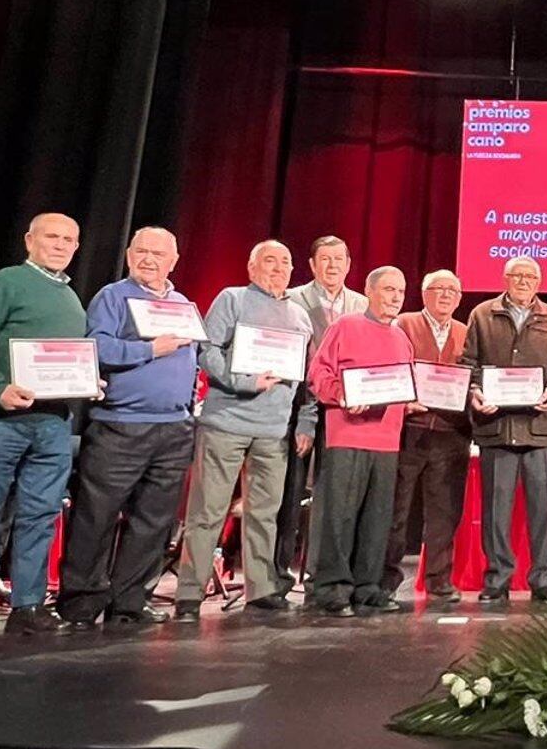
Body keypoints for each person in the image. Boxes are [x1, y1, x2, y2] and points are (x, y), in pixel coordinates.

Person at [0, 213, 90, 640]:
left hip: (52, 422)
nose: (61, 244)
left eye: (69, 238)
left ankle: (27, 604)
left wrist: (88, 378)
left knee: (41, 515)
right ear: (30, 240)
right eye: (52, 236)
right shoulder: (8, 281)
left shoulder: (71, 298)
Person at [55, 226, 198, 628]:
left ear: (174, 261)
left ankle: (129, 602)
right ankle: (81, 604)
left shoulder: (184, 304)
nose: (149, 259)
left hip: (173, 428)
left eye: (159, 253)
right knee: (96, 517)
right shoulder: (112, 296)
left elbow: (194, 357)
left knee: (153, 521)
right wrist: (151, 349)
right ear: (129, 255)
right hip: (121, 426)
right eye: (141, 251)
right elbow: (97, 347)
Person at [174, 240, 316, 617]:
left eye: (286, 262)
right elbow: (207, 351)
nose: (279, 268)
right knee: (208, 510)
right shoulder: (232, 299)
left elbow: (307, 380)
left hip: (274, 430)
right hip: (226, 424)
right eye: (270, 261)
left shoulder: (300, 316)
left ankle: (260, 589)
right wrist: (246, 381)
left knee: (265, 512)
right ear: (252, 267)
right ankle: (189, 592)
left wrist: (304, 421)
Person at [462, 256, 547, 604]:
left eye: (530, 277)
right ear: (505, 278)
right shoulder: (482, 314)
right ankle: (497, 579)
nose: (523, 281)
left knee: (543, 509)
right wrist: (475, 392)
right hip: (496, 428)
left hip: (539, 430)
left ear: (538, 283)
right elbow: (468, 364)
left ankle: (543, 579)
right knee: (496, 510)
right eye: (517, 275)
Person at [306, 266, 413, 616]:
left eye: (400, 291)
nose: (395, 297)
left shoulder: (401, 338)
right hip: (348, 434)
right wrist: (343, 395)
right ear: (369, 291)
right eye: (388, 290)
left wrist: (411, 399)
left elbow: (403, 384)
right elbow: (319, 375)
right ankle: (332, 589)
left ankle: (368, 588)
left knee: (378, 518)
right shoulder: (345, 326)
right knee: (340, 516)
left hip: (387, 440)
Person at [277, 236, 368, 596]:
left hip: (343, 410)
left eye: (339, 259)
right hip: (294, 404)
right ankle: (280, 577)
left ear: (348, 264)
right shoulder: (292, 299)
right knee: (290, 494)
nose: (332, 266)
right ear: (312, 265)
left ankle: (320, 574)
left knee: (332, 499)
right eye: (325, 259)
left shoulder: (361, 304)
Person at [384, 269, 468, 607]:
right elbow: (390, 367)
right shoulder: (403, 324)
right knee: (396, 510)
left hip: (452, 433)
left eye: (452, 290)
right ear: (423, 293)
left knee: (444, 512)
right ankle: (385, 579)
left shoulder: (465, 331)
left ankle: (439, 580)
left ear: (460, 299)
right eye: (438, 289)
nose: (446, 295)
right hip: (410, 430)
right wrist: (402, 400)